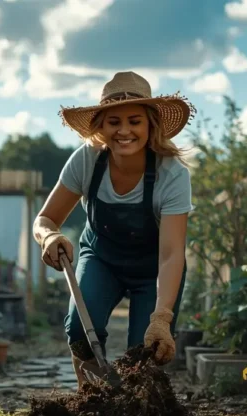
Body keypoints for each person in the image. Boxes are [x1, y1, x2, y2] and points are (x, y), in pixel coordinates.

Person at [32, 70, 195, 389]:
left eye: (134, 121)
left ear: (150, 124)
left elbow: (172, 252)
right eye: (113, 122)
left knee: (143, 355)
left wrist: (162, 317)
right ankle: (92, 399)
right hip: (101, 259)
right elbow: (45, 219)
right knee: (80, 332)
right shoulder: (86, 161)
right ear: (101, 126)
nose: (124, 131)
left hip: (154, 268)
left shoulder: (172, 174)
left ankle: (135, 411)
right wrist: (50, 236)